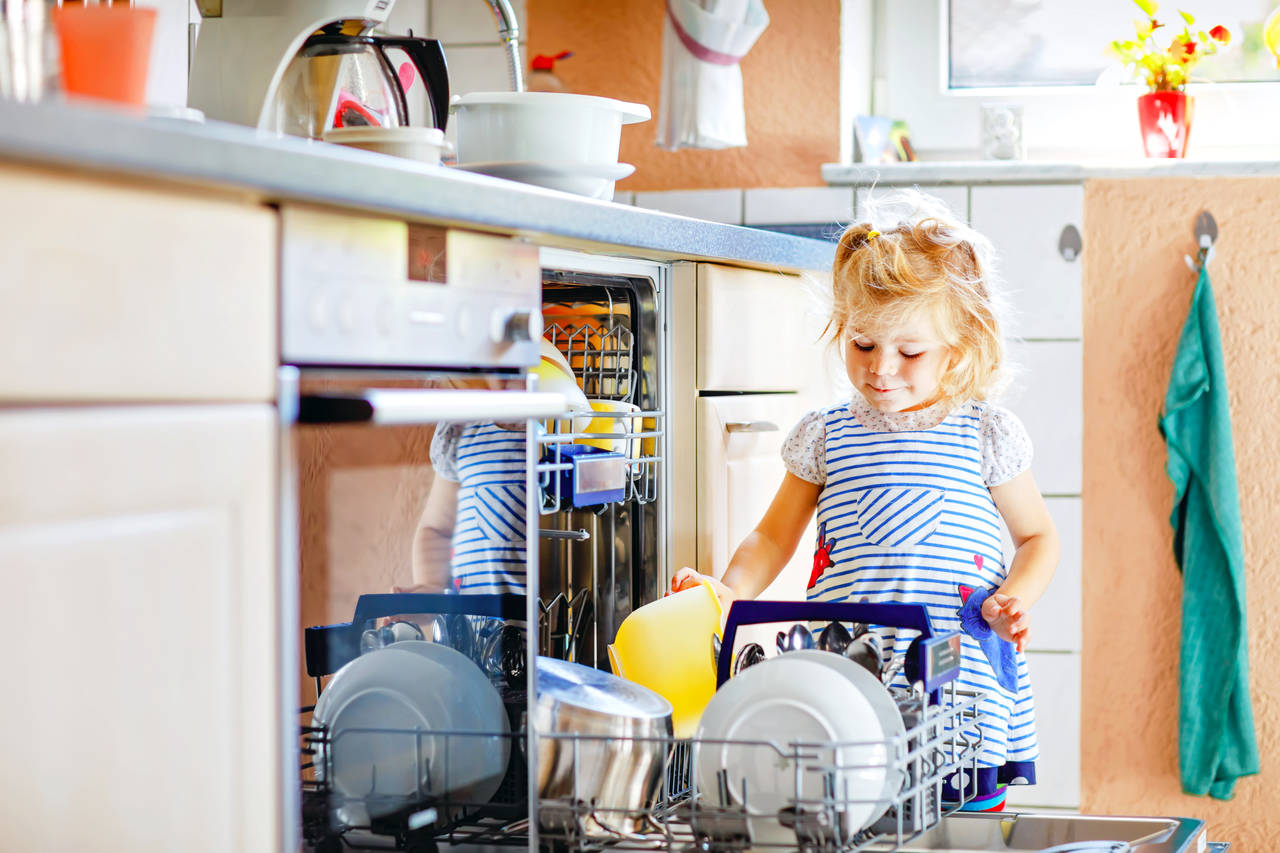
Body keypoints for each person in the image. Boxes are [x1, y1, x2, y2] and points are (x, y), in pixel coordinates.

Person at [671, 189, 1060, 812]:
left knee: (959, 819)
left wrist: (1016, 598)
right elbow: (772, 537)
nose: (882, 368)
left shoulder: (983, 432)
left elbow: (1039, 538)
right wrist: (725, 591)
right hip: (850, 674)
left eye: (909, 352)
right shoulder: (826, 434)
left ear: (957, 348)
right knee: (853, 811)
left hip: (960, 680)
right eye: (862, 344)